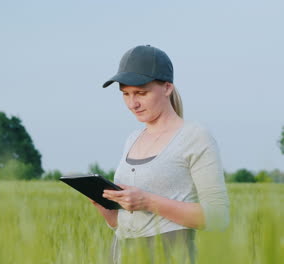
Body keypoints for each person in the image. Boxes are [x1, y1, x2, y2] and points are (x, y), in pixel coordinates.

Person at [90, 45, 230, 264]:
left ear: (167, 88)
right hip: (122, 253)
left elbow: (218, 217)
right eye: (125, 94)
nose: (132, 104)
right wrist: (106, 210)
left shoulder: (195, 137)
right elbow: (126, 222)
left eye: (141, 93)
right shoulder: (132, 139)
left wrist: (146, 201)